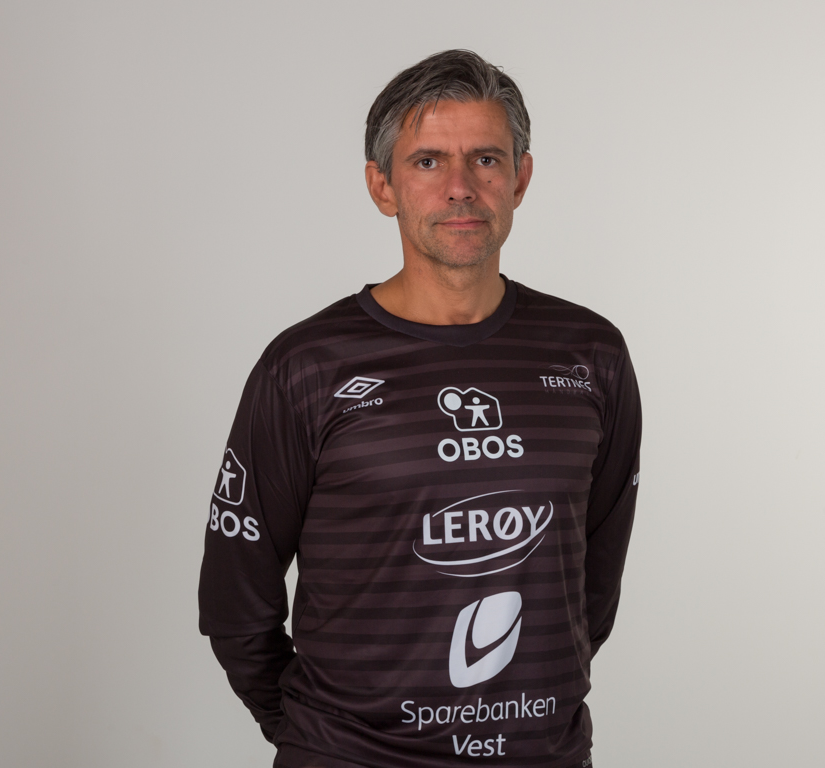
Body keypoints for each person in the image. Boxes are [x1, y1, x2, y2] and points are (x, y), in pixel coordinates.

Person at [198, 49, 642, 768]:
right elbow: (235, 599)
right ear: (383, 186)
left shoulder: (590, 354)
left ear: (521, 179)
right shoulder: (307, 366)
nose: (461, 187)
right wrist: (326, 738)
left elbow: (592, 585)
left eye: (486, 160)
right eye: (428, 162)